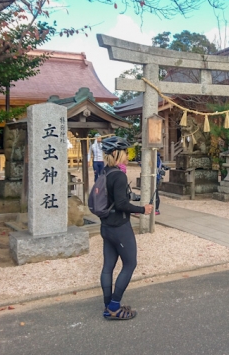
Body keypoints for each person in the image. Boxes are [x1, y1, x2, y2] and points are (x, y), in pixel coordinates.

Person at [99, 136, 153, 320]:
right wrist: (142, 209)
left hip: (106, 226)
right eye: (125, 152)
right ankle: (114, 307)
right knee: (130, 264)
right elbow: (121, 204)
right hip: (120, 228)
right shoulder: (119, 175)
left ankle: (108, 306)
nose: (128, 156)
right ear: (116, 153)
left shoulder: (104, 172)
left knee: (108, 266)